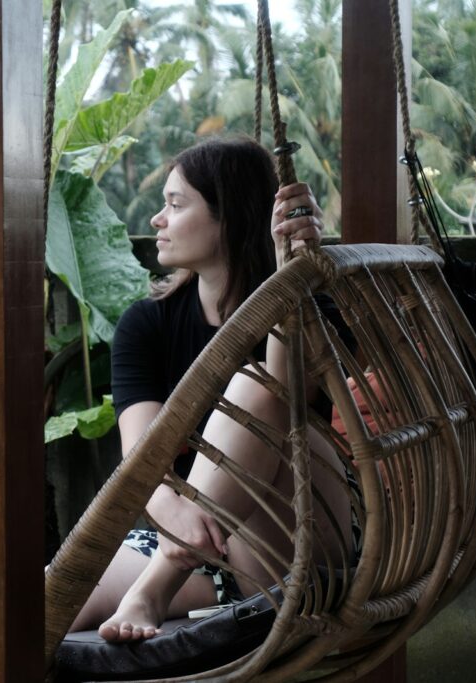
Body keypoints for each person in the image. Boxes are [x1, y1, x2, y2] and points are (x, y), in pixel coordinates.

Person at [69, 136, 355, 642]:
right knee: (49, 601)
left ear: (230, 217)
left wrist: (290, 276)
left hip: (298, 537)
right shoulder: (146, 324)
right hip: (199, 548)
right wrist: (181, 527)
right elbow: (140, 463)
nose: (158, 219)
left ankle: (155, 587)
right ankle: (167, 573)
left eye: (176, 205)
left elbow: (290, 396)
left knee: (256, 389)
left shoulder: (312, 307)